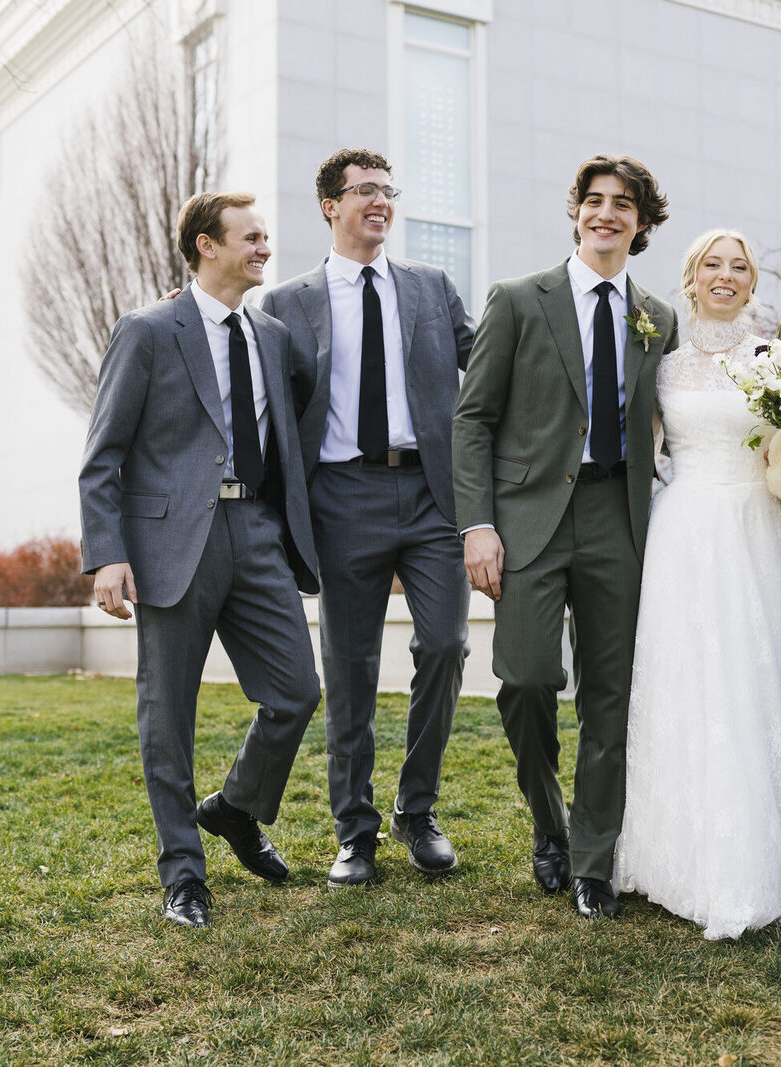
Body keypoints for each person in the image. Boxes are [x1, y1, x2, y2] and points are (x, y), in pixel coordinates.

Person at [79, 192, 321, 929]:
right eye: (250, 238)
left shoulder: (275, 338)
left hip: (255, 530)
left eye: (266, 238)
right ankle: (184, 874)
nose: (264, 249)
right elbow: (104, 455)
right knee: (167, 715)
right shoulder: (148, 330)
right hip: (169, 542)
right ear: (205, 245)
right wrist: (107, 555)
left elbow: (299, 407)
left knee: (297, 688)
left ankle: (235, 808)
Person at [452, 154, 678, 920]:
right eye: (594, 200)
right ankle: (549, 823)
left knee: (611, 696)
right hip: (527, 520)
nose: (606, 213)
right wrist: (477, 524)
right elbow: (474, 418)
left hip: (622, 515)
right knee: (524, 677)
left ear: (641, 223)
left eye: (623, 204)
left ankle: (591, 860)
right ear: (576, 211)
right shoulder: (518, 300)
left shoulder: (661, 317)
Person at [261, 148, 475, 888]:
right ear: (330, 205)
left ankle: (417, 811)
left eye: (388, 190)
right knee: (349, 672)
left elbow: (485, 371)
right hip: (340, 499)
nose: (379, 202)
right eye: (364, 191)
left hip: (430, 497)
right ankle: (354, 829)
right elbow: (266, 414)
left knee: (445, 644)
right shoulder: (287, 303)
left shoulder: (431, 288)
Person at [612, 230, 781, 939]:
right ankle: (679, 859)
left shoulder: (774, 360)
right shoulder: (661, 367)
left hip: (757, 529)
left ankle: (755, 859)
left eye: (740, 266)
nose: (727, 276)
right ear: (691, 279)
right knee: (686, 683)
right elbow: (641, 455)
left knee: (752, 682)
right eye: (714, 265)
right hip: (682, 534)